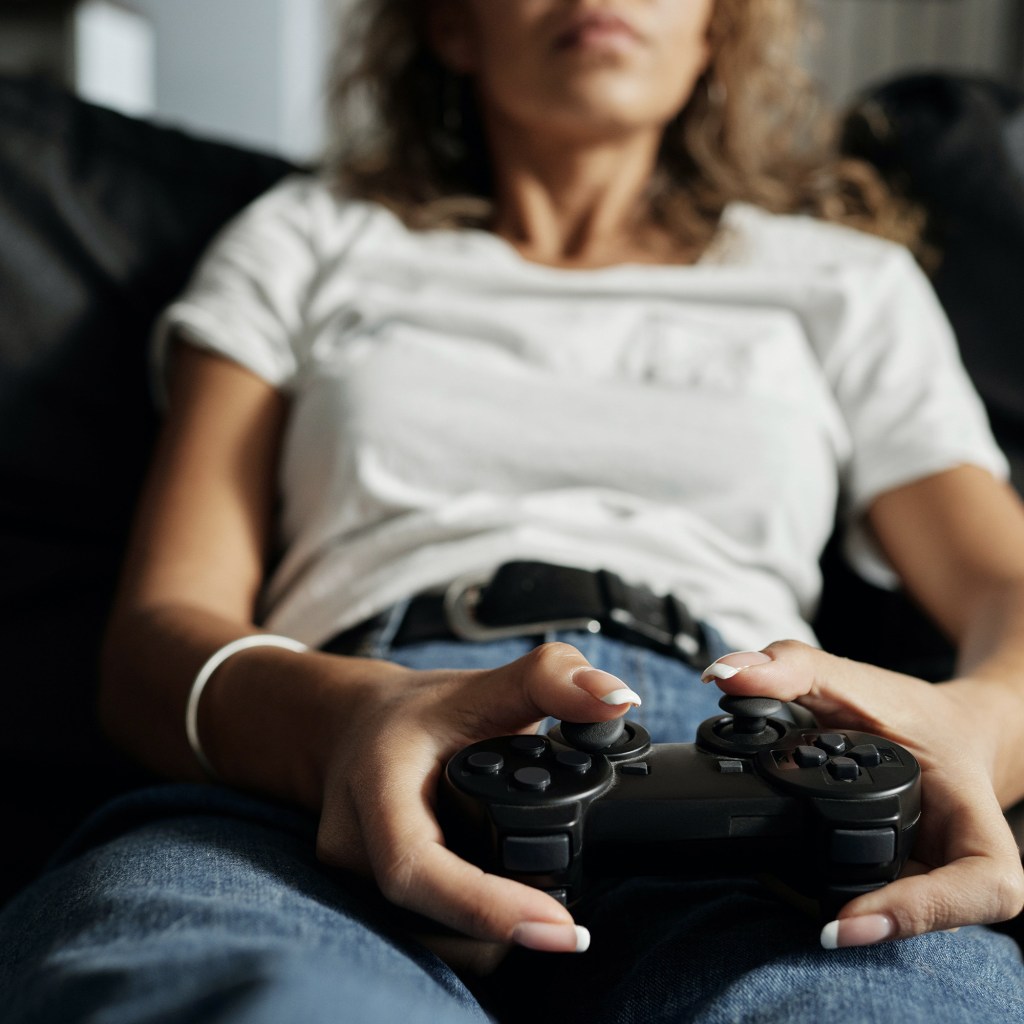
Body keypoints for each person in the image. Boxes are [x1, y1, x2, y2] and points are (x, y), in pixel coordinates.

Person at [2, 0, 1023, 1021]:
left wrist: (971, 725)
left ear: (715, 29)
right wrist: (337, 723)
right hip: (343, 751)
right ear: (452, 27)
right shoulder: (309, 236)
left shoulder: (843, 281)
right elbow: (151, 641)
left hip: (743, 776)